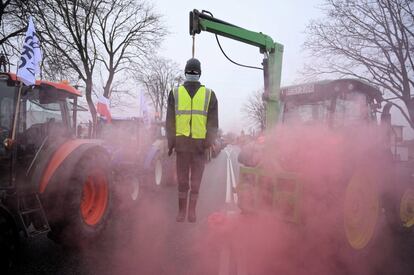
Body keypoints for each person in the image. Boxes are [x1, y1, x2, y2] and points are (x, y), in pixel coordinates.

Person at [166, 58, 218, 223]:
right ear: (199, 73)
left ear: (185, 72)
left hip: (196, 148)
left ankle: (188, 212)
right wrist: (208, 143)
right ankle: (185, 212)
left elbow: (212, 123)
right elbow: (213, 124)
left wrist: (171, 143)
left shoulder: (208, 95)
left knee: (187, 183)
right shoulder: (176, 93)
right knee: (190, 182)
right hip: (189, 147)